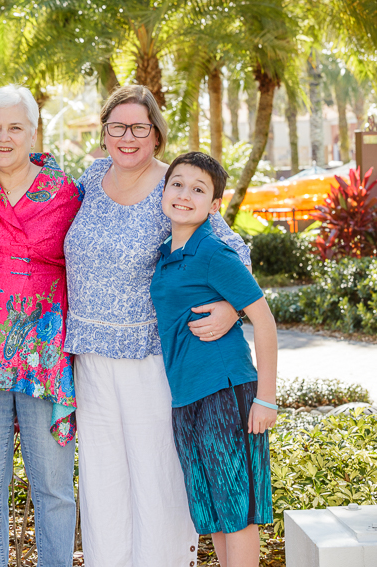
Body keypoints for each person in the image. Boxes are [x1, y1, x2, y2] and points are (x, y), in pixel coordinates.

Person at [63, 84, 253, 567]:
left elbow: (236, 250)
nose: (128, 138)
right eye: (118, 127)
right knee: (103, 479)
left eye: (139, 128)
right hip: (88, 352)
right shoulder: (91, 176)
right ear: (105, 132)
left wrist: (233, 308)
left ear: (156, 136)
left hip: (149, 354)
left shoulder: (176, 183)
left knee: (155, 476)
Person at [0, 84, 79, 567]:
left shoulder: (68, 193)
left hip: (46, 363)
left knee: (54, 489)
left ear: (34, 132)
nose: (3, 137)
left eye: (14, 127)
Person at [151, 151, 277, 567]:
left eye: (199, 189)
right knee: (218, 514)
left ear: (215, 205)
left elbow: (265, 321)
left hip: (227, 391)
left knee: (236, 511)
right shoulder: (166, 253)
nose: (185, 195)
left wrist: (267, 398)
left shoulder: (212, 251)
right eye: (178, 184)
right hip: (187, 397)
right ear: (164, 190)